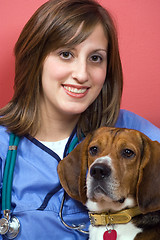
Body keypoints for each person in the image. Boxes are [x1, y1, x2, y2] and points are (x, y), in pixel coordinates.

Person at [0, 0, 159, 239]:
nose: (82, 74)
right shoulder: (4, 145)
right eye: (66, 54)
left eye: (95, 58)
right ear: (35, 59)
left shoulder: (135, 132)